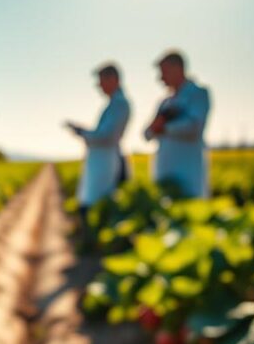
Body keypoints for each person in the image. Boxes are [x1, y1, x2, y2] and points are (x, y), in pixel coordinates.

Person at [65, 63, 131, 245]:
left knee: (99, 200)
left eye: (101, 81)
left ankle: (98, 244)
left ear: (113, 79)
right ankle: (93, 240)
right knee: (92, 199)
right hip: (101, 161)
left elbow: (107, 135)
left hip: (106, 163)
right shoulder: (114, 104)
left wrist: (82, 133)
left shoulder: (120, 104)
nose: (99, 86)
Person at [144, 51, 211, 198]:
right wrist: (156, 127)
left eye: (164, 72)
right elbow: (147, 133)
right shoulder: (165, 102)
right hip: (164, 170)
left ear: (177, 68)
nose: (160, 78)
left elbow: (195, 127)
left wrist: (164, 128)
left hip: (188, 170)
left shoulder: (198, 93)